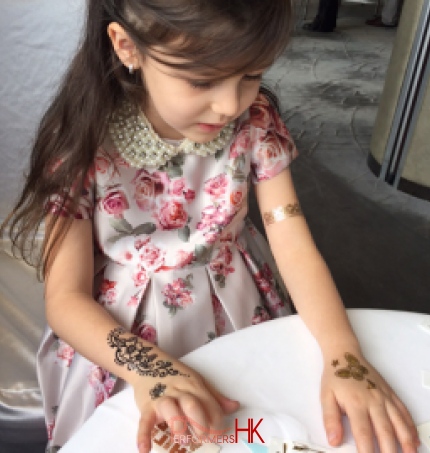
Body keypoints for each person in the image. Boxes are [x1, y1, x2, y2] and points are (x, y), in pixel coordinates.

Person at [1, 1, 420, 453]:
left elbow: (294, 247)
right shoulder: (79, 140)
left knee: (251, 431)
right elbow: (65, 299)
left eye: (252, 74)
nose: (229, 104)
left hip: (240, 304)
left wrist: (344, 357)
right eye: (202, 79)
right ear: (127, 46)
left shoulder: (255, 122)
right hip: (119, 339)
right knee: (159, 438)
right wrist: (150, 370)